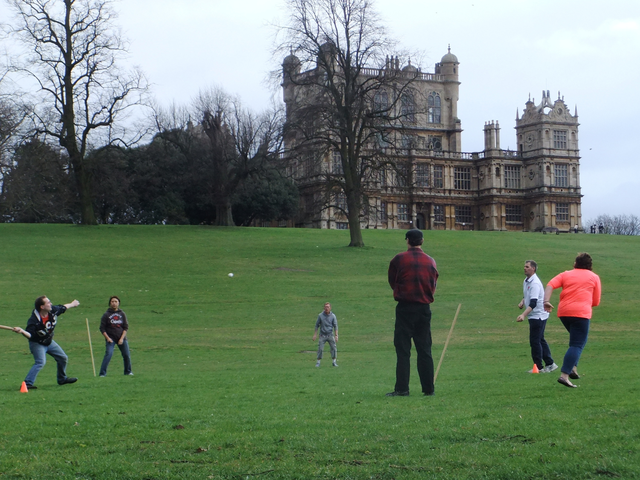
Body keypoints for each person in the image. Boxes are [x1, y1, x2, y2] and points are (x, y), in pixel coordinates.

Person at [387, 229, 439, 397]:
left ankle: (402, 388)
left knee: (403, 350)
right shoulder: (431, 261)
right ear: (422, 241)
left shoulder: (399, 259)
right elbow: (433, 283)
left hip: (405, 307)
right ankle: (428, 388)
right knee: (424, 349)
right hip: (424, 308)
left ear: (407, 240)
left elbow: (392, 280)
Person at [544, 253, 601, 388]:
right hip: (581, 314)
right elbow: (596, 301)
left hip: (564, 313)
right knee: (576, 344)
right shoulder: (594, 277)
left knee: (578, 341)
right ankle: (564, 375)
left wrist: (546, 301)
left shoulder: (566, 274)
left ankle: (573, 368)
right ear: (590, 265)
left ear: (575, 263)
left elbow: (550, 285)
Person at [15, 296, 80, 390]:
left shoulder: (52, 311)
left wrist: (72, 304)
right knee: (40, 362)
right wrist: (22, 331)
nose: (51, 304)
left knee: (63, 358)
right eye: (48, 303)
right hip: (37, 343)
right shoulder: (34, 321)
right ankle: (27, 383)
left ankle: (62, 379)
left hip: (49, 342)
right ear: (42, 307)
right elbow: (30, 335)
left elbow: (63, 307)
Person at [517, 260, 557, 373]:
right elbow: (529, 296)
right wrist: (523, 301)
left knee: (535, 341)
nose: (524, 268)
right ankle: (550, 363)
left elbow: (534, 303)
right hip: (535, 315)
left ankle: (538, 367)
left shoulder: (534, 282)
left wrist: (523, 315)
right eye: (524, 266)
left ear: (533, 269)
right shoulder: (527, 281)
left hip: (538, 315)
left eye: (527, 267)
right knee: (540, 339)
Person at [99, 296, 133, 377]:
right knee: (108, 354)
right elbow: (102, 328)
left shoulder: (122, 314)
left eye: (116, 301)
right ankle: (102, 373)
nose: (114, 303)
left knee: (126, 355)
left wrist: (121, 338)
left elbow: (125, 327)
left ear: (118, 303)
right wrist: (108, 338)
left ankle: (128, 372)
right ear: (110, 303)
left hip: (121, 338)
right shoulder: (106, 315)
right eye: (112, 301)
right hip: (111, 339)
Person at [312, 302, 338, 367]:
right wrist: (315, 334)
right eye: (326, 307)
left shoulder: (333, 316)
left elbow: (335, 326)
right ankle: (318, 362)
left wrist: (336, 335)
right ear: (324, 308)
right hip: (322, 335)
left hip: (330, 335)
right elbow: (317, 325)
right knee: (320, 348)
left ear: (330, 308)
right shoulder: (320, 316)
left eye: (328, 307)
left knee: (333, 348)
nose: (327, 308)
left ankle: (334, 362)